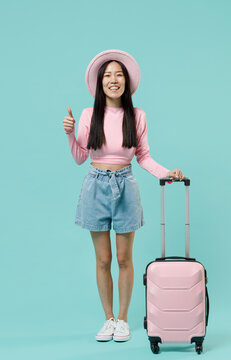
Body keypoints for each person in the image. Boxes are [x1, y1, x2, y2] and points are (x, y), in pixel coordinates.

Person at [62, 49, 185, 343]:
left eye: (118, 75)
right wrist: (69, 134)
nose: (113, 80)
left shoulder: (137, 116)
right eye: (107, 75)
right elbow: (80, 157)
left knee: (124, 258)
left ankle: (124, 320)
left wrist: (167, 173)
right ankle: (108, 319)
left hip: (125, 185)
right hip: (95, 185)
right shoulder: (89, 114)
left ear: (126, 82)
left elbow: (143, 157)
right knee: (103, 260)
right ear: (100, 82)